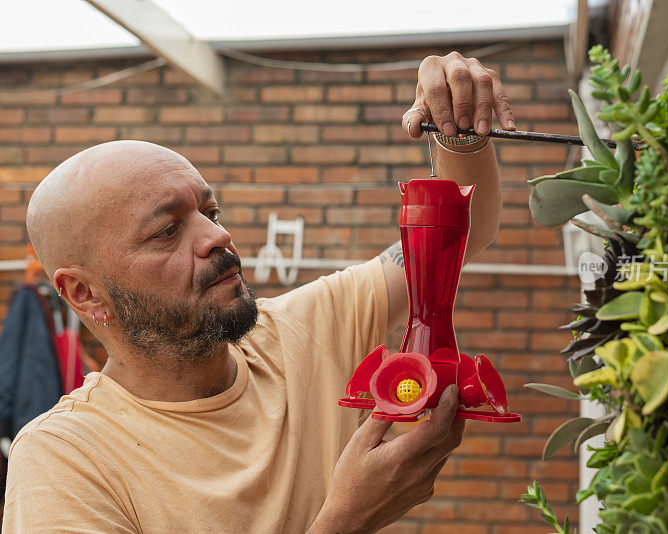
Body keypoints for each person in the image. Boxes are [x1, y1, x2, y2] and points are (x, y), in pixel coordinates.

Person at [2, 52, 515, 533]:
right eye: (166, 232)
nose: (217, 237)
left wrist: (459, 136)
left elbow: (462, 238)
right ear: (84, 293)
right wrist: (346, 519)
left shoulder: (305, 330)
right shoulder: (64, 459)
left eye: (211, 212)